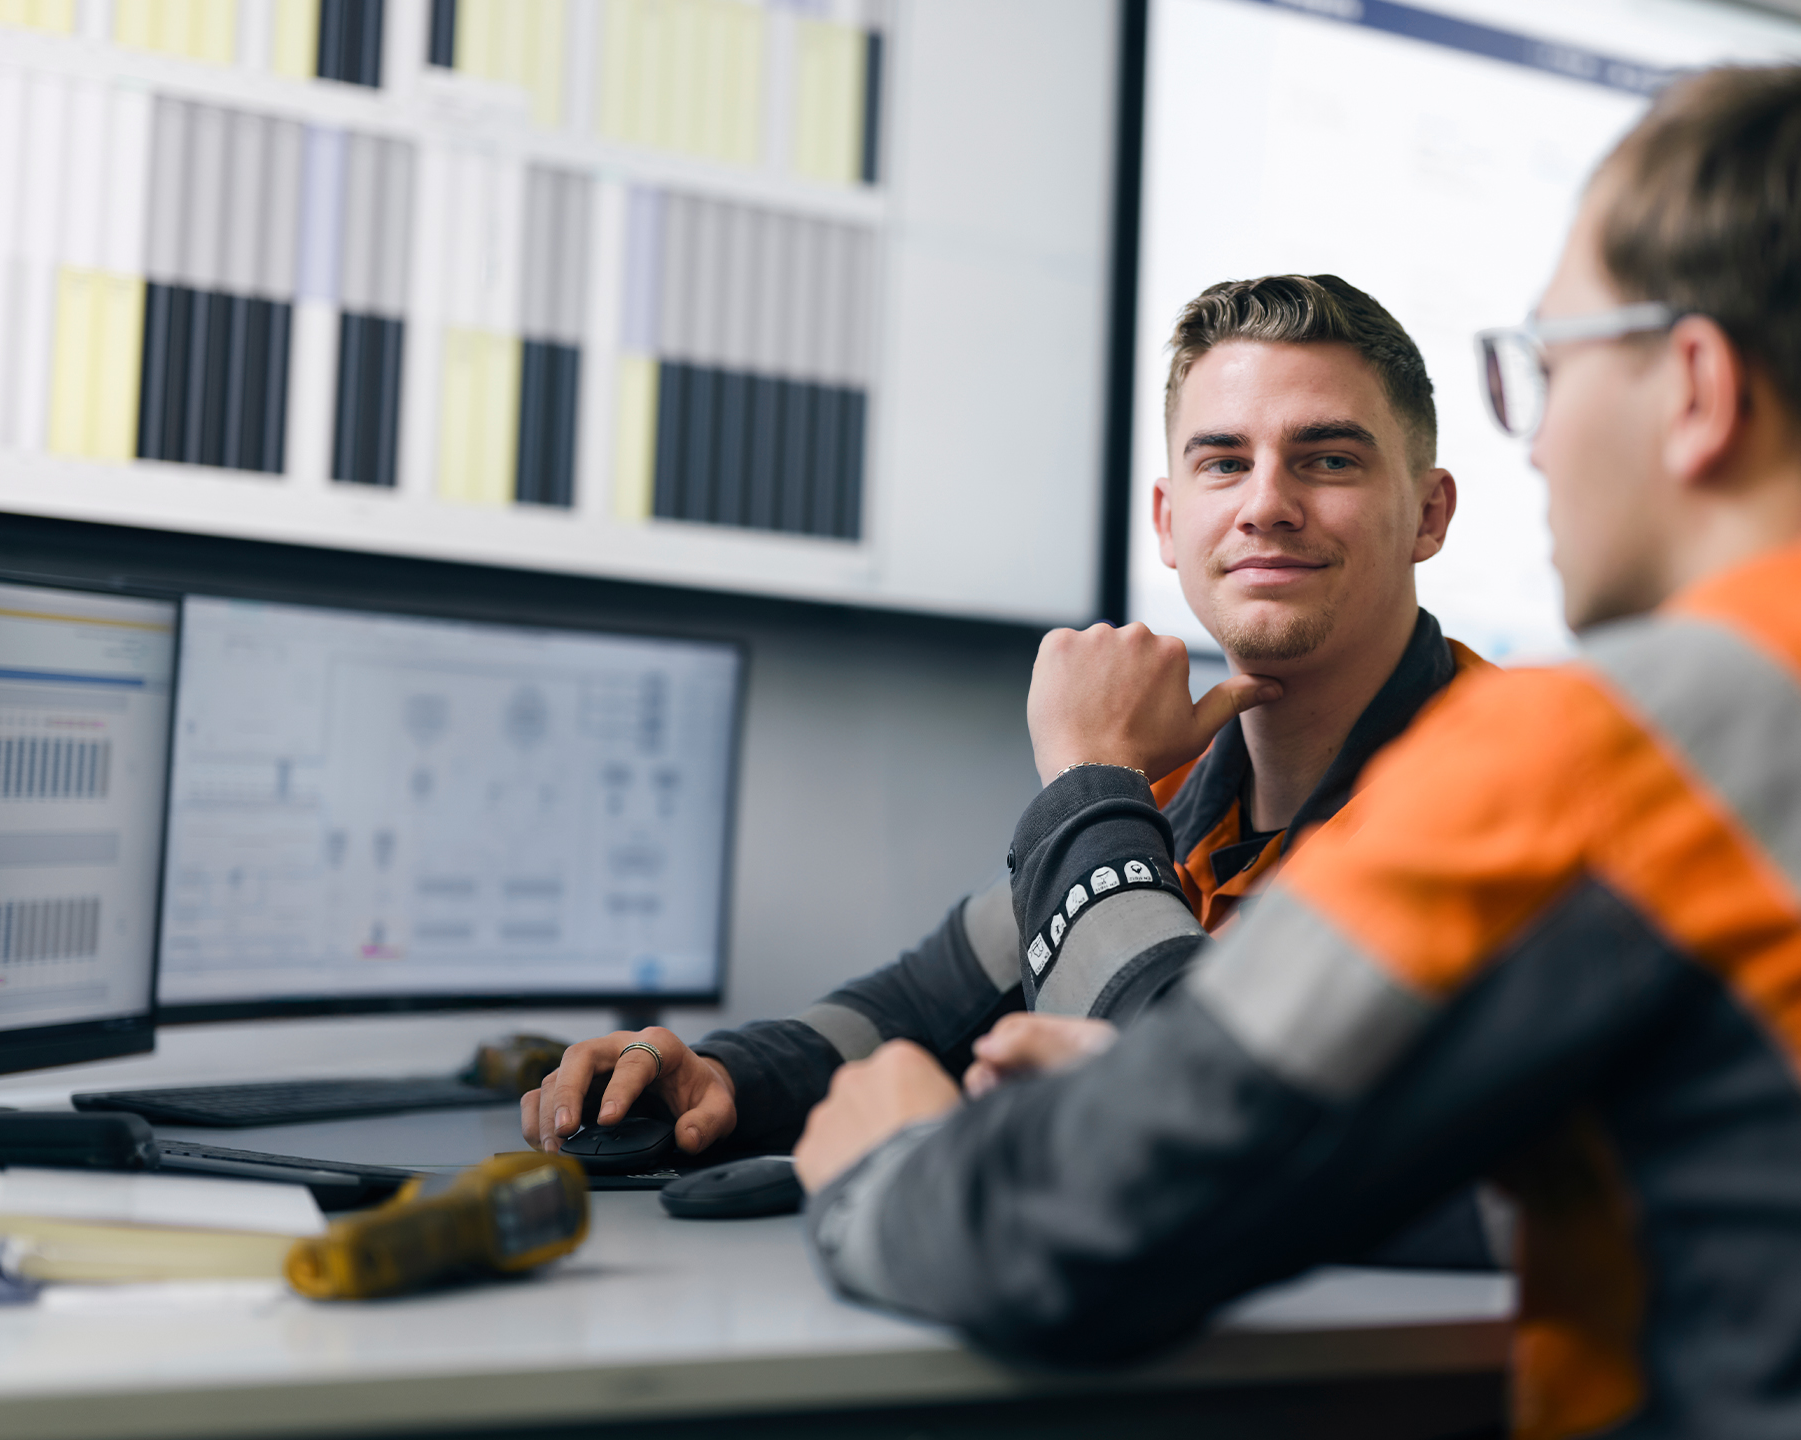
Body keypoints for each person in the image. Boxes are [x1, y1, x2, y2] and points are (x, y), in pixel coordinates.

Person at [791, 63, 1801, 1438]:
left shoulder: (1641, 740)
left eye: (1544, 364)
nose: (1532, 439)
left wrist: (889, 1166)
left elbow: (1084, 1225)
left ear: (1695, 389)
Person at [521, 273, 1479, 1171]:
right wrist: (722, 1078)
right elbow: (924, 1003)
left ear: (1429, 516)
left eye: (1329, 459)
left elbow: (1193, 1101)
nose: (1266, 505)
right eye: (1223, 462)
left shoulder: (1493, 777)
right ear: (1166, 517)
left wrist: (1089, 780)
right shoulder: (1187, 784)